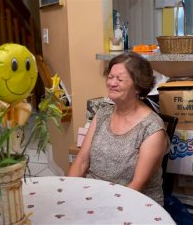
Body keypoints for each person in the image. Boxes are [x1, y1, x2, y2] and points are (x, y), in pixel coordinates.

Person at [68, 52, 169, 206]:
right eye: (110, 77)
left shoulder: (152, 129)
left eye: (120, 79)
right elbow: (82, 161)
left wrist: (102, 208)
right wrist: (67, 191)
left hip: (133, 201)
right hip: (94, 195)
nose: (112, 83)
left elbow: (137, 185)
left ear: (138, 86)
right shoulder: (102, 114)